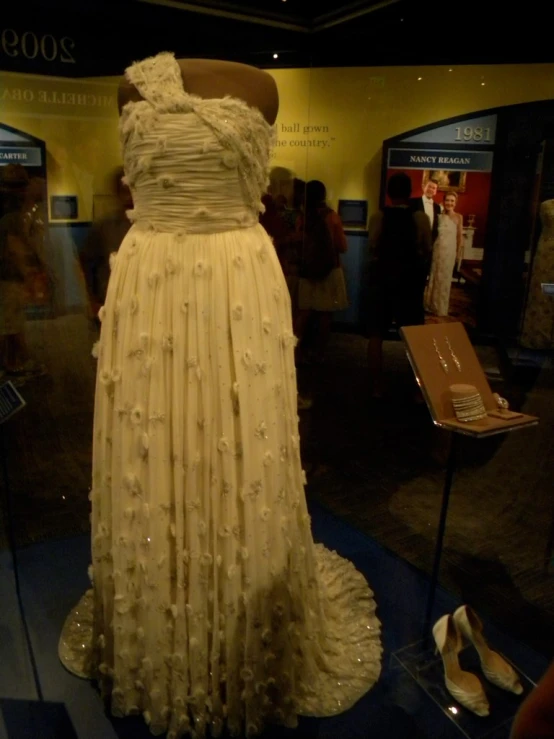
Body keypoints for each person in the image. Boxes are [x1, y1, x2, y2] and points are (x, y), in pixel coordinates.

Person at [59, 52, 382, 738]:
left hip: (238, 283)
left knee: (240, 445)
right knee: (153, 449)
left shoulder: (261, 88)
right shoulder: (132, 82)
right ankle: (163, 601)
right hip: (150, 282)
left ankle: (231, 618)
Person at [366, 172, 432, 398]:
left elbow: (372, 247)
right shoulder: (420, 218)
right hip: (409, 282)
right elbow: (427, 249)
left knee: (376, 335)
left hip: (382, 281)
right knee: (414, 338)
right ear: (410, 192)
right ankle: (417, 389)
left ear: (389, 192)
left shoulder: (378, 217)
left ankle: (375, 386)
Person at [294, 179, 349, 363]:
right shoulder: (332, 216)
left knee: (303, 312)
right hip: (330, 269)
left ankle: (295, 350)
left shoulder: (303, 217)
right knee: (325, 314)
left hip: (307, 269)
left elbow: (299, 243)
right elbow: (342, 246)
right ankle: (319, 353)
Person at [79, 166, 132, 324]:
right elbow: (87, 265)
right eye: (124, 191)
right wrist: (93, 300)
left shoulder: (151, 227)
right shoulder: (105, 227)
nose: (129, 198)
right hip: (110, 300)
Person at [425, 190, 464, 317]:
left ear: (455, 203)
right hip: (438, 250)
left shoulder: (459, 217)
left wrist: (458, 253)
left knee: (445, 279)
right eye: (447, 200)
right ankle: (430, 305)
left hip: (449, 251)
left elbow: (459, 237)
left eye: (452, 201)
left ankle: (440, 307)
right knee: (435, 276)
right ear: (444, 201)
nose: (449, 203)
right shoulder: (438, 216)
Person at [409, 176, 441, 244]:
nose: (431, 189)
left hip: (431, 244)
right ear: (423, 187)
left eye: (434, 188)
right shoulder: (412, 202)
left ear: (436, 191)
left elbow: (437, 226)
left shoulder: (437, 207)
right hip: (414, 242)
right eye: (429, 186)